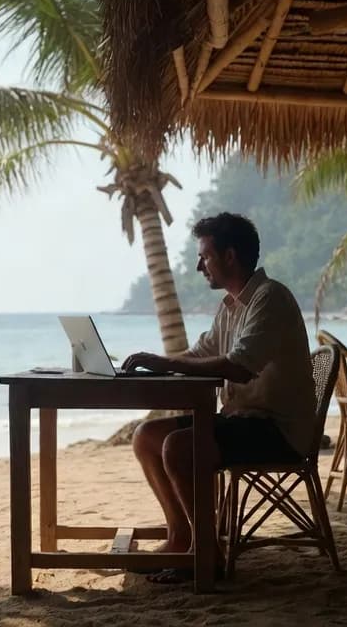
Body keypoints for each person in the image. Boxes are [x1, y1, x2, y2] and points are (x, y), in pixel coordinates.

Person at [122, 212, 313, 583]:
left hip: (277, 430)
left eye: (204, 256)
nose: (198, 266)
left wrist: (160, 362)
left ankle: (206, 553)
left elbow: (240, 366)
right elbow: (199, 354)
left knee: (179, 446)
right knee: (146, 436)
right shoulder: (230, 307)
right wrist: (154, 363)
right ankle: (181, 539)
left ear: (229, 256)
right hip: (243, 422)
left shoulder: (269, 297)